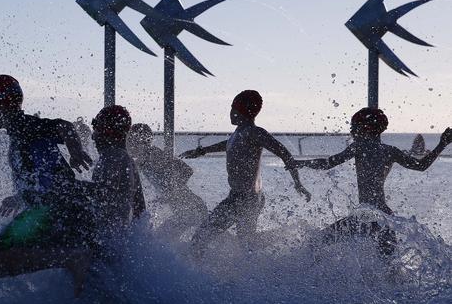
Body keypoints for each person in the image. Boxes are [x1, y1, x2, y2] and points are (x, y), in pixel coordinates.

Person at [0, 75, 94, 297]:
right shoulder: (18, 134)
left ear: (4, 105)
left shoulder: (26, 126)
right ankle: (71, 260)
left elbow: (64, 127)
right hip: (55, 209)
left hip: (57, 212)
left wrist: (75, 151)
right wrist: (20, 197)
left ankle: (71, 257)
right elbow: (41, 179)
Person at [289, 108, 452, 255]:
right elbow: (421, 165)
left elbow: (328, 163)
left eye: (353, 126)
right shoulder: (390, 151)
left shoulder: (358, 146)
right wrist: (441, 144)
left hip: (365, 215)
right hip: (385, 217)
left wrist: (300, 162)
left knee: (316, 242)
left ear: (363, 128)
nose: (351, 130)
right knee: (391, 270)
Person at [179, 90, 311, 254]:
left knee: (205, 239)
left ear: (242, 110)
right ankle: (287, 237)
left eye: (233, 109)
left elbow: (284, 153)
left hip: (247, 199)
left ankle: (289, 237)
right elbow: (227, 144)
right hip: (238, 197)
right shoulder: (239, 133)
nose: (230, 113)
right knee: (239, 243)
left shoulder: (255, 132)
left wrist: (298, 183)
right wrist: (202, 151)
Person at [127, 123, 208, 237]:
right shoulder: (142, 160)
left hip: (193, 209)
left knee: (159, 240)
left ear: (140, 141)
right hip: (185, 212)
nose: (129, 145)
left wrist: (171, 194)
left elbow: (187, 170)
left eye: (130, 140)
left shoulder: (154, 153)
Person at [91, 106, 146, 259]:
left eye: (96, 129)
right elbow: (141, 212)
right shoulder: (127, 159)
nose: (92, 137)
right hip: (117, 243)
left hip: (103, 244)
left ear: (107, 132)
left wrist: (65, 188)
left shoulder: (113, 156)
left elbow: (103, 192)